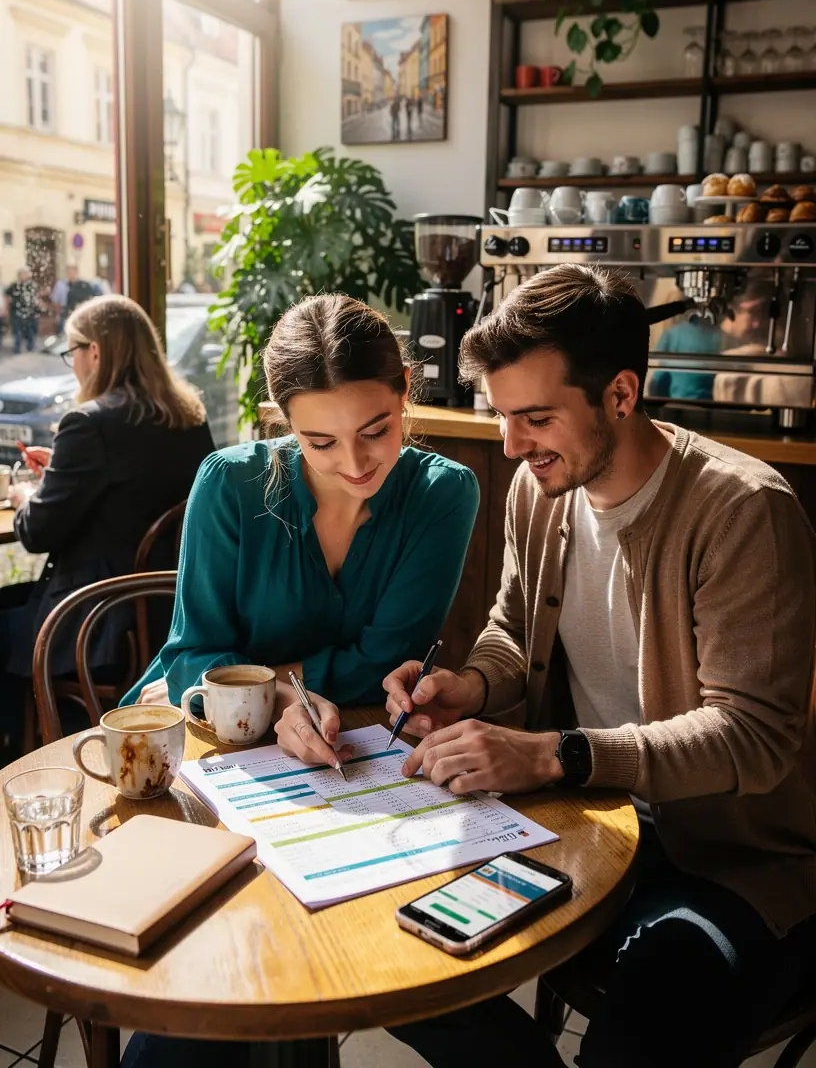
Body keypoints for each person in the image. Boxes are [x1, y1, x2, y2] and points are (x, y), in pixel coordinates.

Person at [384, 264, 816, 1068]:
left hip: (734, 865)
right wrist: (471, 684)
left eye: (536, 417)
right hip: (581, 826)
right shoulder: (537, 489)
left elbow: (751, 738)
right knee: (393, 952)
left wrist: (553, 754)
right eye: (503, 417)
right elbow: (512, 630)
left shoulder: (742, 511)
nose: (512, 446)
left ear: (621, 395)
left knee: (649, 1024)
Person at [119, 293, 479, 1068]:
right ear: (278, 421)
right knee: (200, 997)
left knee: (426, 977)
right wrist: (286, 696)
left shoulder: (444, 492)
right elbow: (188, 658)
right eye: (319, 442)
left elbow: (386, 662)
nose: (355, 464)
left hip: (347, 771)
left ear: (407, 389)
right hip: (211, 768)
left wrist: (265, 680)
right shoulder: (231, 484)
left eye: (377, 430)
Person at [6, 294, 215, 684]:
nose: (74, 366)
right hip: (177, 611)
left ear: (95, 352)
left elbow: (36, 533)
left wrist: (25, 497)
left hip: (100, 622)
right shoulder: (190, 416)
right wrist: (63, 469)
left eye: (73, 352)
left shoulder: (87, 424)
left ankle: (26, 739)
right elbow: (136, 483)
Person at [5, 267, 39, 354]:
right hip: (16, 312)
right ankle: (17, 349)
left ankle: (31, 348)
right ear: (19, 276)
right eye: (22, 274)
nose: (24, 276)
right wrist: (7, 307)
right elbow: (7, 296)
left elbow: (36, 298)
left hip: (30, 313)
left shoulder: (32, 285)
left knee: (30, 331)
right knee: (18, 332)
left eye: (26, 274)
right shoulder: (14, 285)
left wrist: (36, 310)